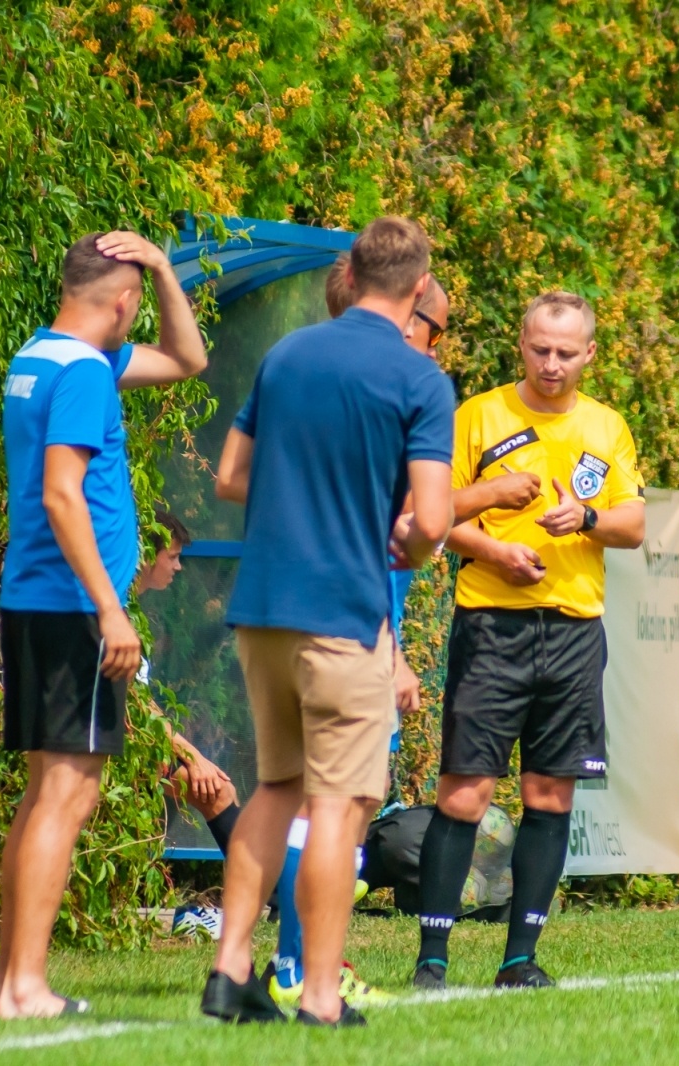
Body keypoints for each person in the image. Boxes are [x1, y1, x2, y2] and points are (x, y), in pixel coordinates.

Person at [201, 216, 455, 1028]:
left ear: (352, 274)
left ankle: (229, 970)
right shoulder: (419, 380)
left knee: (277, 790)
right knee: (339, 807)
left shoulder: (287, 354)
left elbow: (230, 476)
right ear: (418, 287)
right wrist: (407, 538)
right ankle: (318, 995)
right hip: (342, 615)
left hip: (262, 609)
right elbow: (432, 522)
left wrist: (305, 493)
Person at [0, 230, 206, 1019]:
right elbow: (61, 492)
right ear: (123, 304)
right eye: (139, 299)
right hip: (74, 608)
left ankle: (11, 982)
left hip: (39, 600)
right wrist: (111, 608)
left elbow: (185, 360)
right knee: (67, 796)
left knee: (46, 794)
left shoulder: (43, 356)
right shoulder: (84, 372)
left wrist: (160, 270)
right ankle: (24, 987)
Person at [412, 290, 645, 992]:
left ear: (589, 354)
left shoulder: (607, 426)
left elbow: (634, 525)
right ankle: (432, 960)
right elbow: (433, 516)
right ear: (521, 343)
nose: (551, 363)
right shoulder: (478, 416)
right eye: (540, 348)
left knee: (550, 795)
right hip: (491, 626)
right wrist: (495, 551)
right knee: (465, 794)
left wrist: (588, 518)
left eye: (566, 352)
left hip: (574, 632)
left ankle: (519, 959)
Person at [131, 510, 241, 940]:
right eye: (173, 556)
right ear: (147, 556)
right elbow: (134, 707)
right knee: (218, 790)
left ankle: (248, 904)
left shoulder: (132, 611)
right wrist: (193, 758)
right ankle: (254, 904)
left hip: (137, 746)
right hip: (116, 752)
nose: (178, 566)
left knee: (218, 786)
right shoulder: (115, 610)